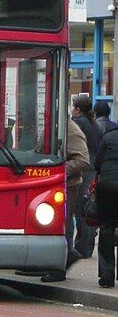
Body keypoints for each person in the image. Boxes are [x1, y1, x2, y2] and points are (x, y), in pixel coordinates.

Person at [41, 116, 90, 282]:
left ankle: (61, 266)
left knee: (64, 225)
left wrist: (59, 170)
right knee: (52, 225)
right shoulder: (55, 125)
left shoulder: (71, 130)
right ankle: (51, 263)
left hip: (67, 185)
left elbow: (83, 159)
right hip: (51, 183)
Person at [72, 96, 101, 259]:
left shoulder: (78, 123)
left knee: (81, 210)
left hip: (83, 168)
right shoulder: (94, 124)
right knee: (86, 208)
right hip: (92, 168)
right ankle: (85, 245)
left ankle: (83, 246)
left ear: (77, 109)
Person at [95, 123, 118, 287]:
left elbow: (97, 163)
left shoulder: (108, 137)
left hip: (107, 184)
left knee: (106, 227)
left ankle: (106, 276)